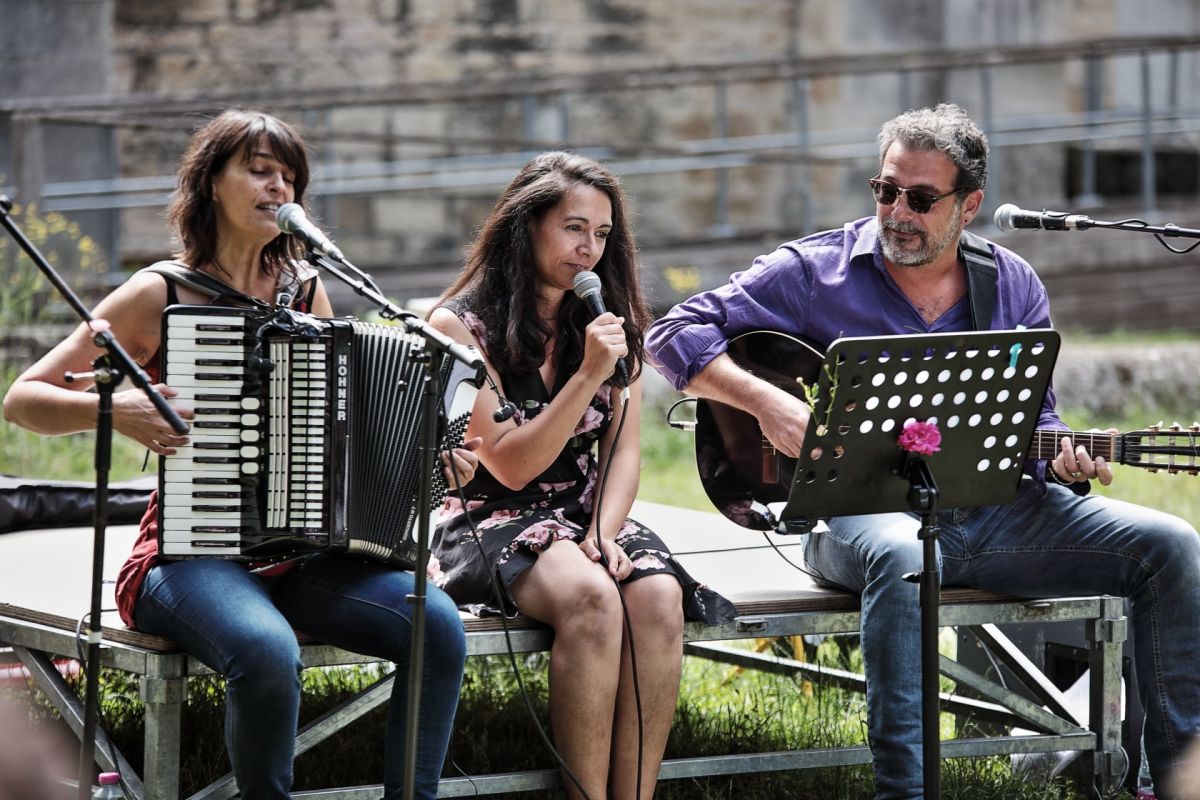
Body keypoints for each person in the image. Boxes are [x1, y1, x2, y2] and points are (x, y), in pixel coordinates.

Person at [645, 102, 1200, 800]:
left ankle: (1172, 783)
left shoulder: (1013, 284)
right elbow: (673, 332)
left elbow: (1039, 420)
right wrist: (766, 401)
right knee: (910, 556)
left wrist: (1060, 459)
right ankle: (903, 793)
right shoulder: (812, 273)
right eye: (885, 190)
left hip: (997, 516)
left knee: (1171, 545)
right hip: (856, 519)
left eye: (920, 198)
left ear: (969, 206)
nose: (896, 211)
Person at [1, 109, 479, 800]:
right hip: (191, 555)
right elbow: (23, 397)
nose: (277, 187)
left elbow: (333, 434)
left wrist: (421, 465)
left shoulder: (305, 293)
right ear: (210, 184)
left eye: (290, 176)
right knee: (264, 649)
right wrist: (118, 409)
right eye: (259, 170)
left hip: (303, 554)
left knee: (434, 622)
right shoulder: (160, 292)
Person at [425, 151, 734, 800]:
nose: (588, 248)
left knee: (656, 597)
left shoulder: (604, 318)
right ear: (526, 225)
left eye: (601, 233)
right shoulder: (458, 325)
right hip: (486, 515)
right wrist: (589, 373)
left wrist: (602, 527)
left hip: (581, 513)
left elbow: (623, 447)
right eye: (573, 228)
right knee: (591, 599)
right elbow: (508, 464)